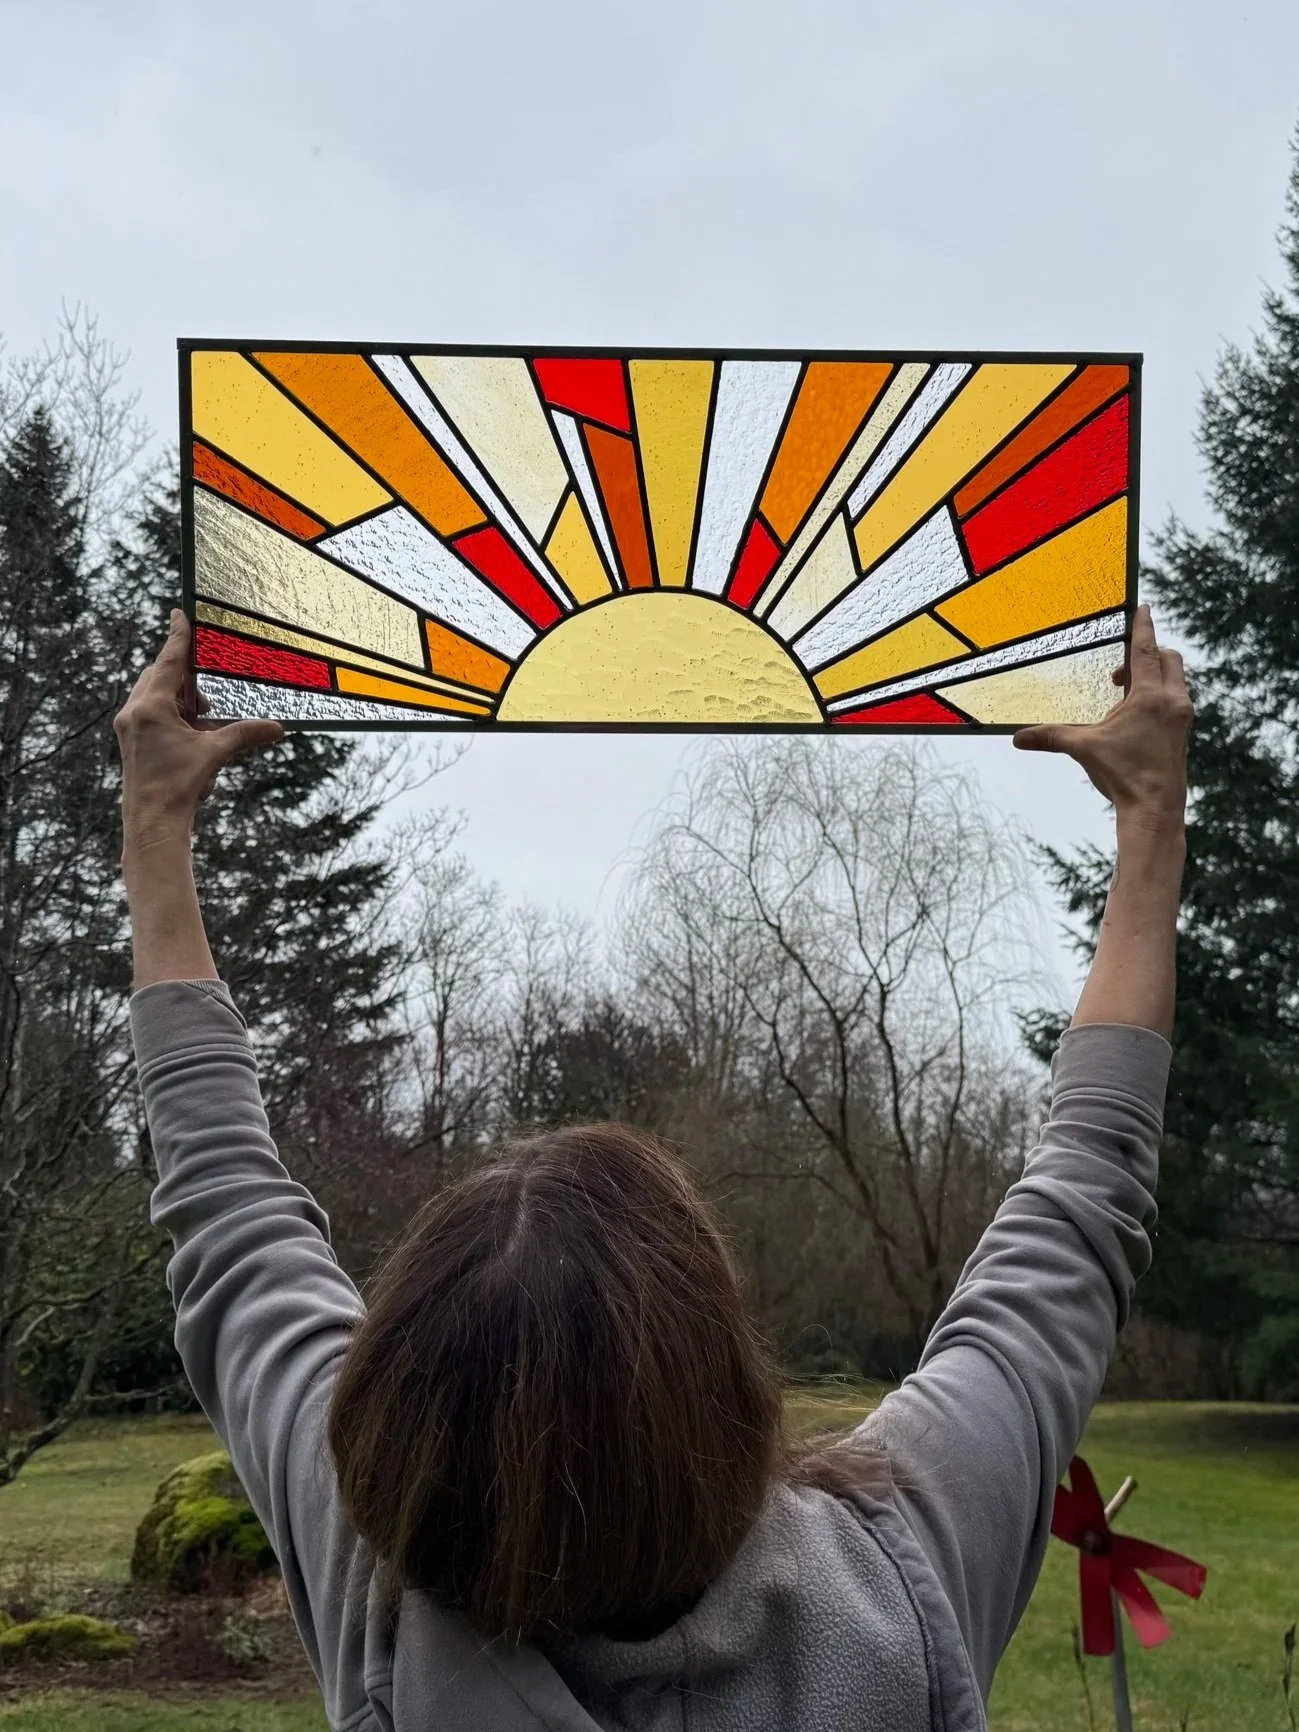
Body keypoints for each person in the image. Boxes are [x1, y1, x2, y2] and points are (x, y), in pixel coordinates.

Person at [116, 604, 1191, 1732]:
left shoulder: (390, 1625)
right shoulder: (894, 1589)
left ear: (391, 1446)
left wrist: (153, 820)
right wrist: (1152, 819)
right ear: (730, 1392)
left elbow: (228, 1217)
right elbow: (1081, 1201)